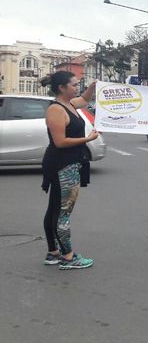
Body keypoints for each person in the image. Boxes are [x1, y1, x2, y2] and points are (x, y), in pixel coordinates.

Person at [40, 72, 99, 270]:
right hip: (61, 165)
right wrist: (88, 140)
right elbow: (60, 142)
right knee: (63, 211)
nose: (77, 87)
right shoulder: (56, 110)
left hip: (70, 163)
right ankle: (68, 256)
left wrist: (92, 87)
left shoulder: (70, 104)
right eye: (74, 85)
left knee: (55, 209)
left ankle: (53, 252)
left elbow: (84, 99)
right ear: (62, 88)